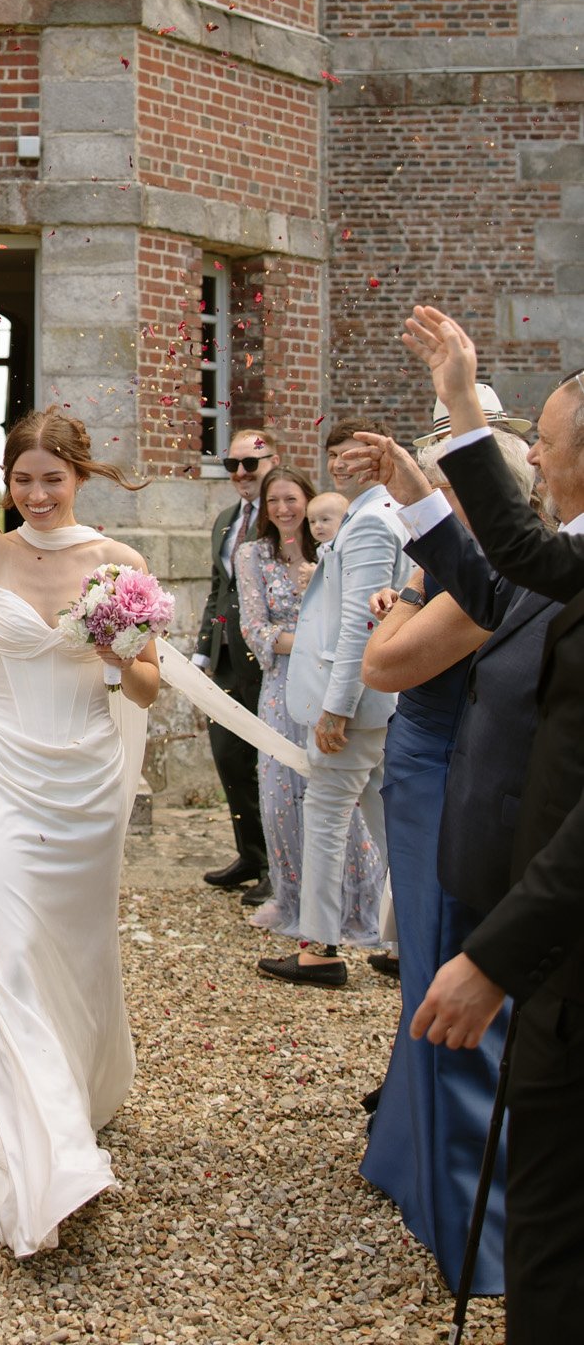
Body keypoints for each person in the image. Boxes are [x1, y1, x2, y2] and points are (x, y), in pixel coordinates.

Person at [0, 269, 160, 1257]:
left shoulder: (120, 560)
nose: (32, 491)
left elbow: (147, 687)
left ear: (77, 476)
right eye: (21, 476)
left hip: (87, 782)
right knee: (10, 950)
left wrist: (116, 656)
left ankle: (79, 1090)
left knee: (74, 949)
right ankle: (51, 1150)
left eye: (48, 477)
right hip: (7, 773)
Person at [364, 309, 584, 1338]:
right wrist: (450, 417)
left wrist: (493, 955)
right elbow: (505, 573)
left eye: (542, 437)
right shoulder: (567, 560)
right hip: (534, 930)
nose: (530, 452)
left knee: (551, 1219)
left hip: (552, 935)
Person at [357, 434, 534, 1294]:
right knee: (421, 973)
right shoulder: (451, 569)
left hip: (445, 784)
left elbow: (384, 663)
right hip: (421, 769)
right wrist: (407, 594)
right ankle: (404, 1156)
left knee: (443, 973)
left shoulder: (487, 578)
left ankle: (471, 1222)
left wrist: (397, 607)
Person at [259, 419, 407, 988]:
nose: (341, 464)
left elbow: (360, 624)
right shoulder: (373, 514)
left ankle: (319, 949)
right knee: (389, 819)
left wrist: (337, 708)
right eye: (335, 456)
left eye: (354, 455)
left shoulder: (369, 523)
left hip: (355, 703)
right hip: (375, 704)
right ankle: (405, 938)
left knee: (323, 816)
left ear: (382, 457)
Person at [235, 466, 385, 945]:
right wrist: (311, 643)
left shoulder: (335, 548)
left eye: (292, 499)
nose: (284, 509)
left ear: (308, 501)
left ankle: (361, 902)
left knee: (340, 796)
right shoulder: (252, 554)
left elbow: (354, 618)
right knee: (282, 795)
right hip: (282, 686)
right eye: (274, 500)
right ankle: (291, 897)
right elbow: (255, 629)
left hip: (335, 683)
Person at [192, 427, 277, 900]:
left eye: (251, 463)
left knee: (270, 762)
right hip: (226, 657)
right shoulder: (226, 519)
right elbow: (216, 589)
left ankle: (278, 867)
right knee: (229, 757)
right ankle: (251, 854)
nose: (242, 474)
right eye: (233, 465)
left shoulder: (287, 514)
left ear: (273, 462)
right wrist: (202, 650)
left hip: (270, 661)